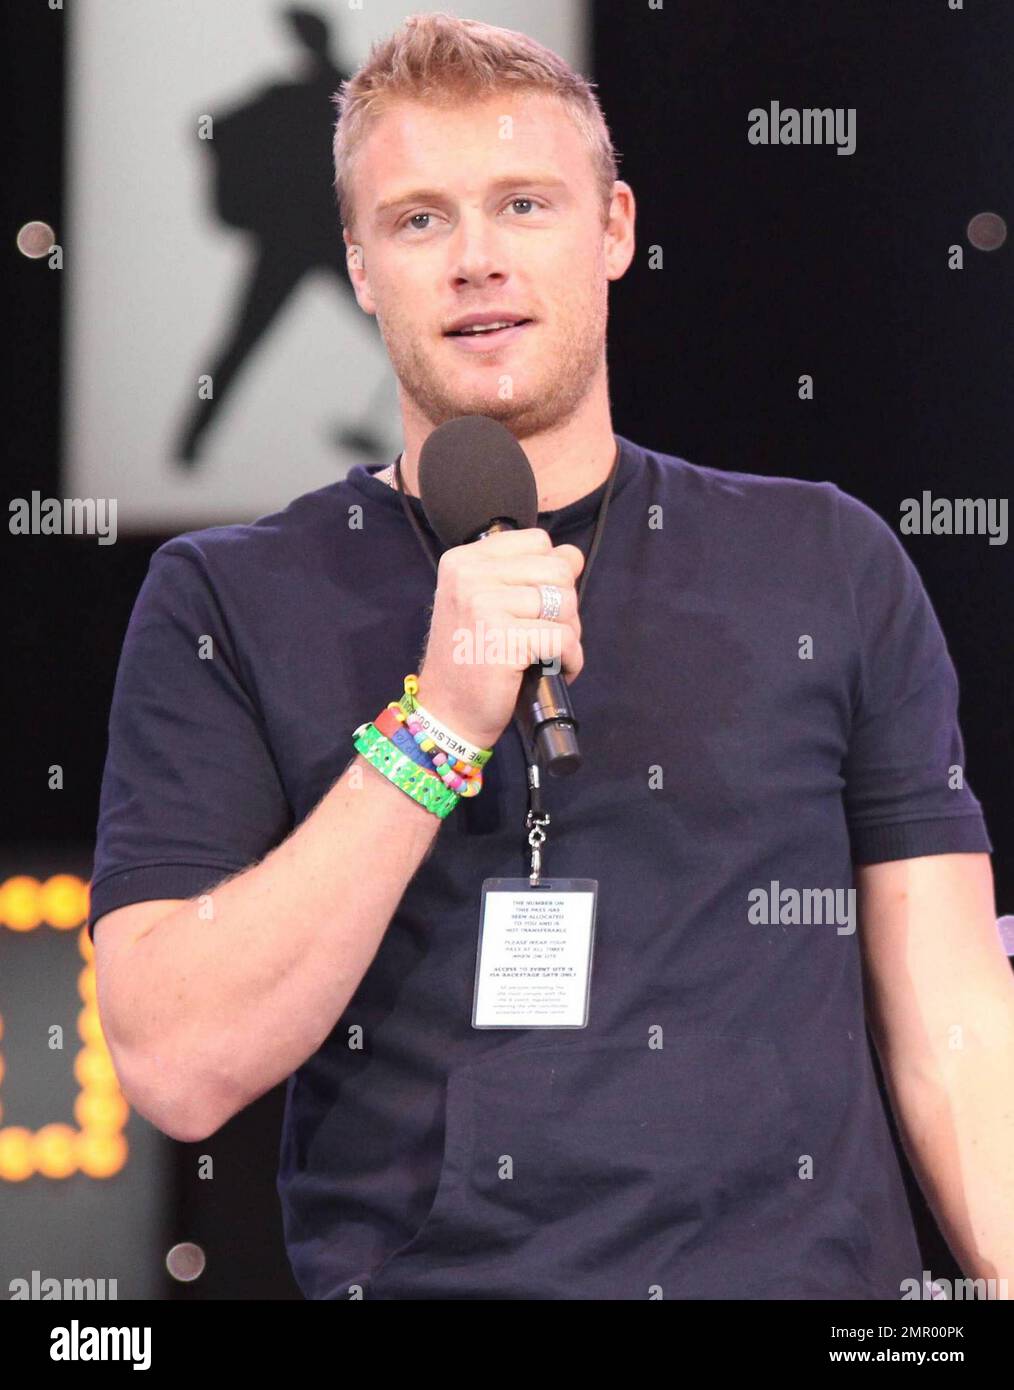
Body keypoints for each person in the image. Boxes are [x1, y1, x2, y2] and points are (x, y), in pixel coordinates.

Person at [89, 13, 1012, 1300]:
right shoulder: (228, 597)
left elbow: (957, 1027)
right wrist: (433, 733)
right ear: (358, 266)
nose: (475, 259)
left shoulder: (826, 560)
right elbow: (177, 1061)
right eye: (418, 220)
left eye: (523, 204)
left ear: (616, 228)